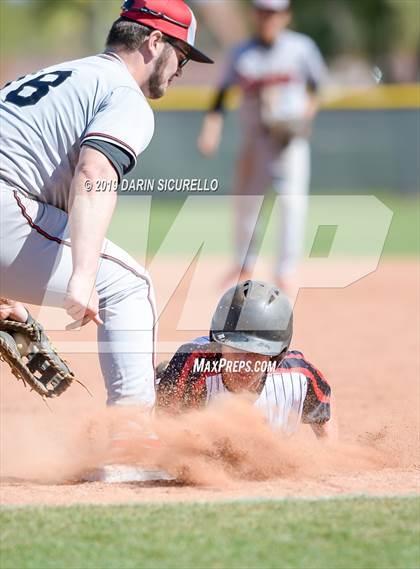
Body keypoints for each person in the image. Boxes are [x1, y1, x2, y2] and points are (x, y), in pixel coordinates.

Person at [0, 0, 213, 408]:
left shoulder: (59, 74)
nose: (181, 69)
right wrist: (83, 274)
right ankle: (130, 439)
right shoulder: (123, 93)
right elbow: (95, 174)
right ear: (154, 42)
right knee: (128, 287)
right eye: (181, 54)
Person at [198, 0, 327, 290]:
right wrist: (211, 129)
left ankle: (286, 270)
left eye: (274, 12)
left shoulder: (301, 48)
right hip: (254, 140)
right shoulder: (240, 53)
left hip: (289, 142)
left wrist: (305, 116)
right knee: (246, 205)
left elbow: (316, 87)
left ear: (285, 15)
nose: (268, 17)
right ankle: (243, 265)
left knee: (292, 205)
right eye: (263, 11)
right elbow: (220, 96)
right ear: (254, 14)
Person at [157, 280, 335, 440]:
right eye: (236, 349)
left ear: (276, 354)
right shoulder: (193, 364)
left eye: (256, 353)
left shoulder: (298, 378)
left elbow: (324, 416)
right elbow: (163, 428)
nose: (243, 363)